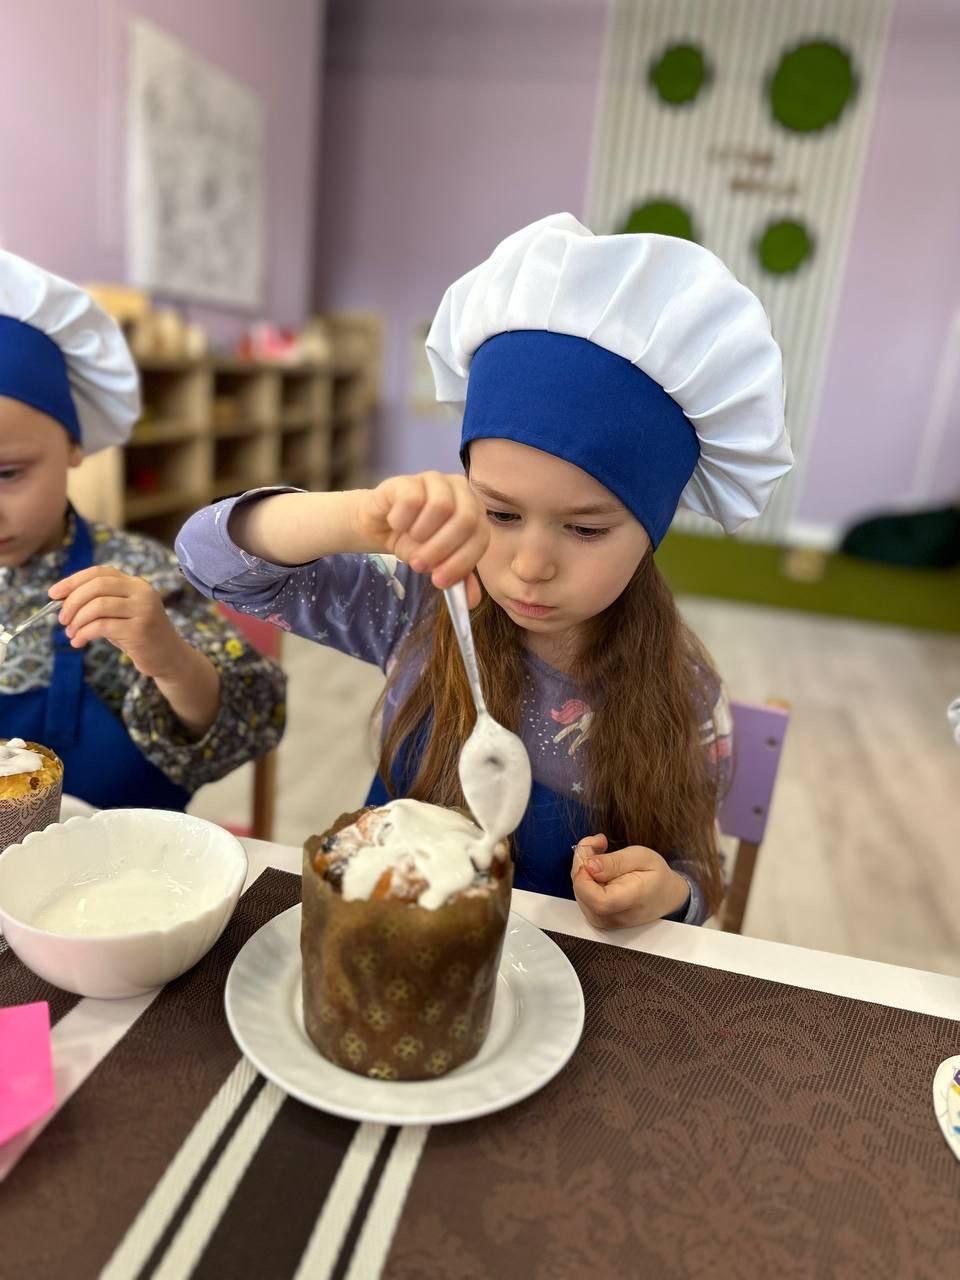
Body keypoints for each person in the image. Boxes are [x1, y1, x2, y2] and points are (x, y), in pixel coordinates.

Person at [176, 214, 792, 925]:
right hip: (392, 942)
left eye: (586, 528)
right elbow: (208, 559)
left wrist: (666, 893)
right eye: (500, 513)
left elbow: (698, 877)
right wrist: (358, 517)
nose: (531, 566)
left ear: (652, 531)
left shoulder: (685, 694)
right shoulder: (424, 605)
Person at [0, 249, 286, 810]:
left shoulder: (137, 576)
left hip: (113, 856)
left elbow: (255, 717)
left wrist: (167, 656)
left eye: (8, 474)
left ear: (75, 444)